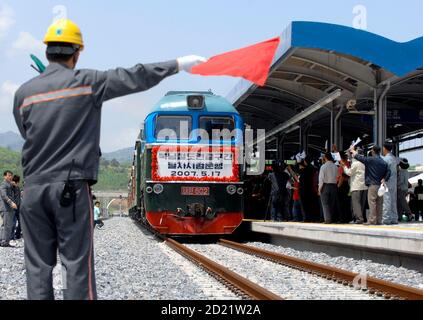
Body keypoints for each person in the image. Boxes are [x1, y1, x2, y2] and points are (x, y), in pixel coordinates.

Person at [12, 19, 206, 300]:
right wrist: (177, 64)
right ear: (77, 51)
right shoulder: (88, 83)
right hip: (70, 189)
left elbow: (27, 132)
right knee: (76, 264)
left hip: (33, 189)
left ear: (46, 52)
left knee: (38, 267)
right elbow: (136, 76)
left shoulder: (24, 94)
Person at [350, 146, 390, 225]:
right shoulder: (383, 162)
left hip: (372, 185)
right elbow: (389, 172)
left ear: (373, 151)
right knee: (379, 204)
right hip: (381, 186)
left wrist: (353, 151)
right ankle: (379, 220)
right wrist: (385, 178)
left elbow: (359, 158)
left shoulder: (370, 160)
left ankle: (372, 220)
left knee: (372, 203)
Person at [342, 148, 368, 224]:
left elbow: (349, 173)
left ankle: (359, 219)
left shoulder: (355, 163)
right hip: (364, 186)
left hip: (356, 186)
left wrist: (344, 166)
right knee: (362, 204)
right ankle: (360, 217)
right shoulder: (365, 163)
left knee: (356, 204)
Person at [318, 153, 339, 224]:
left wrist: (319, 189)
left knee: (325, 204)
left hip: (325, 186)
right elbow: (337, 177)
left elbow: (321, 179)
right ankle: (331, 219)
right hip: (334, 186)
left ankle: (327, 219)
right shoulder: (335, 167)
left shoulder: (323, 167)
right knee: (331, 203)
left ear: (325, 158)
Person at [381, 143, 398, 225]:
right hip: (394, 181)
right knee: (393, 201)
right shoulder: (394, 158)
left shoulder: (386, 159)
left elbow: (383, 170)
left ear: (385, 148)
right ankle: (394, 218)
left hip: (387, 181)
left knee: (387, 200)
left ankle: (386, 219)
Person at [299, 156, 320, 222]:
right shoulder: (315, 169)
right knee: (312, 205)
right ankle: (314, 218)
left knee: (305, 205)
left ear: (305, 161)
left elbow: (301, 180)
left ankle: (306, 218)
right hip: (312, 190)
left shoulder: (303, 170)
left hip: (304, 190)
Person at [0, 171, 18, 247]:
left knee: (8, 225)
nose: (10, 177)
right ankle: (4, 241)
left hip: (9, 209)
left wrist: (14, 186)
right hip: (6, 208)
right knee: (6, 225)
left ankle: (5, 241)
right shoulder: (4, 184)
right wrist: (11, 203)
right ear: (4, 176)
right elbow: (4, 196)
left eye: (11, 176)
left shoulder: (10, 184)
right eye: (9, 175)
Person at [336, 152, 352, 223]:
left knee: (341, 203)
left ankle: (342, 218)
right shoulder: (348, 164)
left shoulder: (343, 166)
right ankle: (348, 218)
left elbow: (342, 176)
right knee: (346, 202)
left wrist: (339, 185)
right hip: (347, 185)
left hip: (342, 185)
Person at [10, 175, 22, 240]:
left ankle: (17, 234)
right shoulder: (12, 186)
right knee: (13, 222)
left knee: (21, 221)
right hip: (13, 207)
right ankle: (12, 236)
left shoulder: (17, 187)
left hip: (18, 206)